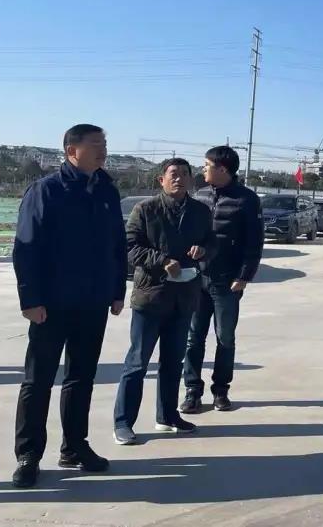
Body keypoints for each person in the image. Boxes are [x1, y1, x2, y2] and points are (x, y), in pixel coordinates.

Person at [11, 124, 127, 489]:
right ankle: (29, 454)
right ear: (71, 150)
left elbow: (117, 244)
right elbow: (26, 247)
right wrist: (30, 299)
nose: (103, 150)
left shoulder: (106, 190)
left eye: (104, 143)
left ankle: (75, 446)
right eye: (95, 144)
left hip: (93, 301)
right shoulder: (46, 190)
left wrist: (117, 289)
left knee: (81, 377)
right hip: (52, 303)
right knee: (39, 380)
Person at [113, 158, 216, 445]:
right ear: (161, 180)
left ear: (192, 181)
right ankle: (123, 422)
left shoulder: (200, 211)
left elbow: (212, 242)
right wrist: (161, 261)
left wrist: (203, 250)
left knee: (173, 362)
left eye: (184, 174)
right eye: (173, 174)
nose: (179, 179)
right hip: (151, 297)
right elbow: (130, 247)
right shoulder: (145, 210)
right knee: (137, 362)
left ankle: (167, 416)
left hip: (184, 297)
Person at [181, 145, 263, 414]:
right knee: (194, 338)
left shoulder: (247, 200)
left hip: (227, 282)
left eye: (207, 165)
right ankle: (192, 390)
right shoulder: (200, 195)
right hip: (197, 279)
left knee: (225, 338)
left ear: (223, 169)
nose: (203, 169)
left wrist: (244, 276)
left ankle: (221, 391)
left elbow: (254, 243)